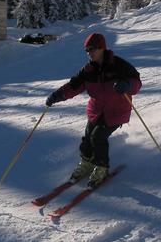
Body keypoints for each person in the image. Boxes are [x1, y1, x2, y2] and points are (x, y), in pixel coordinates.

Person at [46, 33, 142, 189]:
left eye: (93, 49)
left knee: (98, 136)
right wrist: (57, 96)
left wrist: (127, 85)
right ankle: (87, 163)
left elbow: (136, 82)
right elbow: (73, 86)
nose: (90, 53)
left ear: (102, 48)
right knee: (88, 137)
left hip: (116, 112)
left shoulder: (118, 65)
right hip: (96, 111)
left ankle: (102, 167)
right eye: (87, 50)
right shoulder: (88, 70)